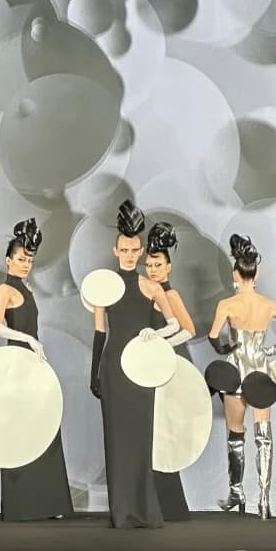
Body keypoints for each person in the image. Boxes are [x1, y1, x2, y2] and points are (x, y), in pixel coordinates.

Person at [89, 201, 178, 529]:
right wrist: (94, 373)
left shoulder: (151, 287)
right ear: (116, 250)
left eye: (134, 250)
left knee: (141, 438)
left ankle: (144, 509)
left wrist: (155, 333)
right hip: (114, 367)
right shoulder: (104, 287)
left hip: (142, 370)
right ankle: (122, 511)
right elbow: (100, 331)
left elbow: (174, 324)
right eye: (124, 249)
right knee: (116, 440)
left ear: (141, 252)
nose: (129, 254)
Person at [208, 233, 276, 519]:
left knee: (235, 433)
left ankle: (237, 491)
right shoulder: (268, 305)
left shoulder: (227, 305)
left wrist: (224, 348)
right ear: (256, 273)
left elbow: (213, 336)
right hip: (260, 371)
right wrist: (273, 349)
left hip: (236, 372)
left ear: (235, 273)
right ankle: (264, 499)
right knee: (264, 436)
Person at [0, 218, 73, 521]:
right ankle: (20, 504)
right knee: (20, 427)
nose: (26, 264)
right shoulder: (5, 288)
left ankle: (47, 502)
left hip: (32, 362)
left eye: (30, 260)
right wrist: (26, 338)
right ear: (8, 260)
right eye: (21, 259)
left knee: (42, 425)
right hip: (17, 361)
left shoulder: (26, 286)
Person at [145, 221, 196, 522]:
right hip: (154, 365)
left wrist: (163, 343)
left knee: (163, 433)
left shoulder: (170, 295)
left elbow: (188, 330)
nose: (153, 269)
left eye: (158, 264)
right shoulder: (149, 292)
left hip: (169, 366)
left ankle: (171, 504)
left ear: (168, 267)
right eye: (149, 265)